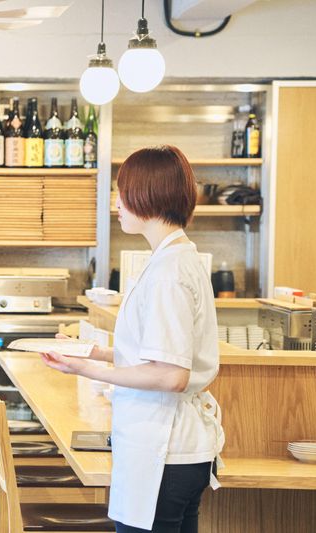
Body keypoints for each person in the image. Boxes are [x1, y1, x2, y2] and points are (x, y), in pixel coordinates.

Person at [41, 145, 225, 533]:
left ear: (148, 195)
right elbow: (157, 353)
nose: (117, 203)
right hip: (174, 450)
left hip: (164, 452)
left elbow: (171, 374)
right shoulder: (175, 258)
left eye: (122, 192)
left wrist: (85, 368)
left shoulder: (168, 272)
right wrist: (94, 351)